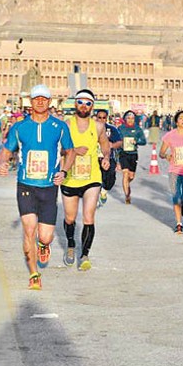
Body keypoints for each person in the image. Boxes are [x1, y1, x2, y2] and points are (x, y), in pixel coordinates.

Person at [0, 84, 75, 290]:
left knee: (45, 236)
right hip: (26, 185)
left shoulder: (60, 127)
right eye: (36, 98)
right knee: (29, 230)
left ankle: (44, 245)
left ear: (49, 102)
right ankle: (34, 273)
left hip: (49, 187)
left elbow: (70, 152)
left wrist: (64, 172)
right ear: (30, 102)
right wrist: (3, 163)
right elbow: (7, 150)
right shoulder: (20, 127)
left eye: (44, 99)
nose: (40, 102)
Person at [61, 89, 111, 270]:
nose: (84, 106)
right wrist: (72, 150)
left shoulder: (98, 126)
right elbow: (59, 150)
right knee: (69, 217)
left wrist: (106, 157)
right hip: (70, 177)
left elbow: (105, 145)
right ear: (75, 104)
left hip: (92, 177)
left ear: (92, 106)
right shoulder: (66, 125)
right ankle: (71, 244)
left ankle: (85, 254)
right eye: (80, 102)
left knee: (89, 217)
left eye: (88, 103)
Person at [117, 110, 147, 204]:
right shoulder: (120, 128)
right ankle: (127, 195)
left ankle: (127, 184)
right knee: (125, 174)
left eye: (132, 118)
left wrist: (136, 141)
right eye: (128, 118)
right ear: (125, 119)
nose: (130, 120)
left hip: (133, 154)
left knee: (131, 176)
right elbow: (116, 140)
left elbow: (144, 141)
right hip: (123, 153)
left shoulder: (138, 129)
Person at [94, 109, 122, 207]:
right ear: (96, 118)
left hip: (109, 158)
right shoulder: (91, 128)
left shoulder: (112, 129)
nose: (101, 120)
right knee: (95, 180)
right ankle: (95, 198)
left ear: (107, 118)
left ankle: (104, 191)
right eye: (99, 117)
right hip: (95, 158)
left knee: (109, 179)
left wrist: (112, 145)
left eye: (103, 118)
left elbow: (119, 142)